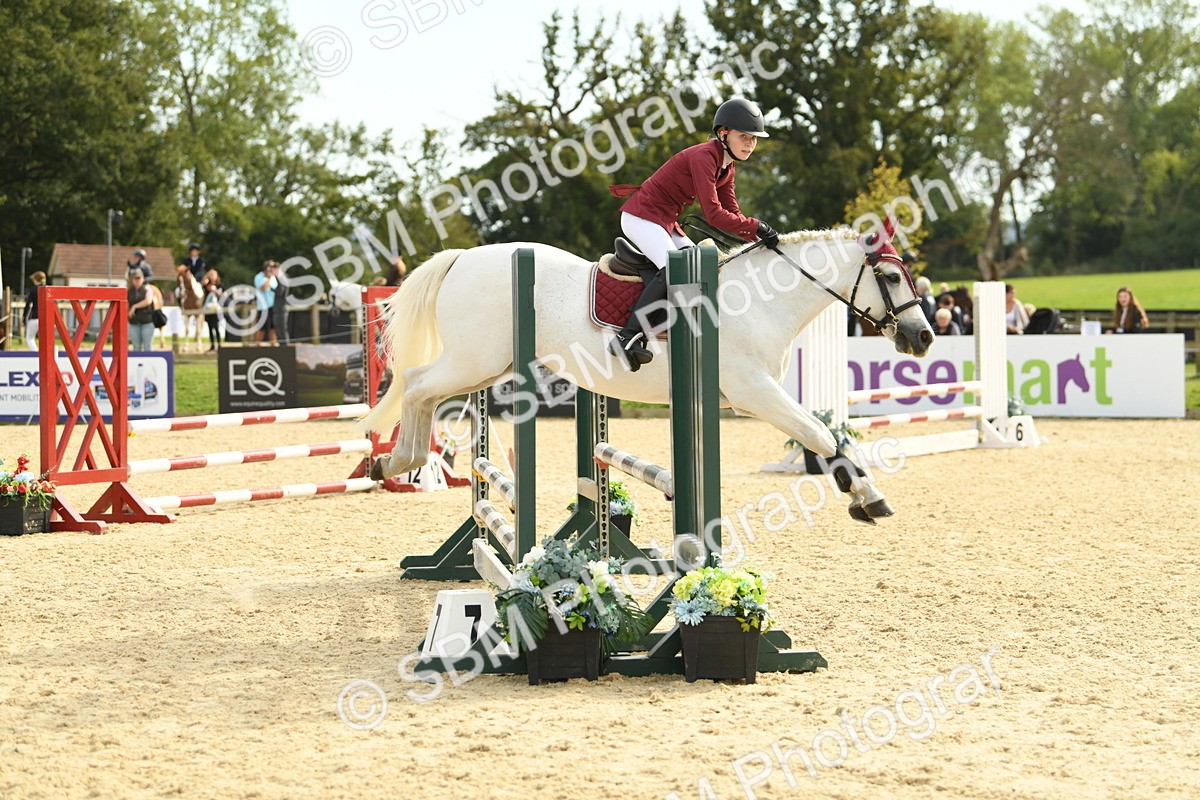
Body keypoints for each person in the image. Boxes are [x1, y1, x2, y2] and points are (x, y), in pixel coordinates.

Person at [605, 98, 778, 369]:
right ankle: (627, 337)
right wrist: (757, 226)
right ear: (723, 134)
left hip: (664, 221)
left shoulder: (726, 167)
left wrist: (757, 238)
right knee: (675, 269)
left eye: (754, 139)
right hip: (642, 216)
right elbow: (713, 214)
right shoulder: (704, 157)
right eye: (743, 137)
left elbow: (732, 213)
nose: (749, 144)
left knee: (698, 266)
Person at [127, 269, 156, 351]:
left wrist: (134, 307)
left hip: (147, 322)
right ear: (132, 280)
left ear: (143, 279)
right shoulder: (129, 291)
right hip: (134, 322)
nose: (137, 280)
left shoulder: (148, 289)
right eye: (135, 278)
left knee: (148, 347)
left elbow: (148, 301)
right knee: (136, 347)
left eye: (139, 278)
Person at [253, 260, 278, 344]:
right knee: (262, 327)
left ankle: (273, 344)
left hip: (272, 306)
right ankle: (256, 346)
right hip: (262, 307)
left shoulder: (274, 277)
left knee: (273, 327)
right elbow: (263, 288)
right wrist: (269, 277)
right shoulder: (259, 277)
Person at [201, 268, 224, 351]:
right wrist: (206, 276)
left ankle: (219, 344)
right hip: (208, 310)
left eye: (213, 274)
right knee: (210, 328)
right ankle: (212, 345)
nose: (212, 276)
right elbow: (202, 283)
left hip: (216, 310)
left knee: (216, 327)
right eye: (210, 274)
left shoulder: (220, 285)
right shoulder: (206, 285)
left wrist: (214, 290)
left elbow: (221, 294)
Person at [23, 271, 46, 350]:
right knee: (45, 339)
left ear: (35, 280)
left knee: (30, 338)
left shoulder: (33, 290)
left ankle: (35, 353)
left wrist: (24, 318)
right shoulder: (47, 289)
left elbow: (28, 304)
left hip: (35, 316)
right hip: (46, 317)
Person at [272, 264, 290, 345]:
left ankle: (285, 349)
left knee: (282, 330)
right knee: (279, 330)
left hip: (281, 308)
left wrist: (271, 288)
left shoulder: (282, 278)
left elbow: (280, 292)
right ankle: (282, 348)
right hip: (278, 308)